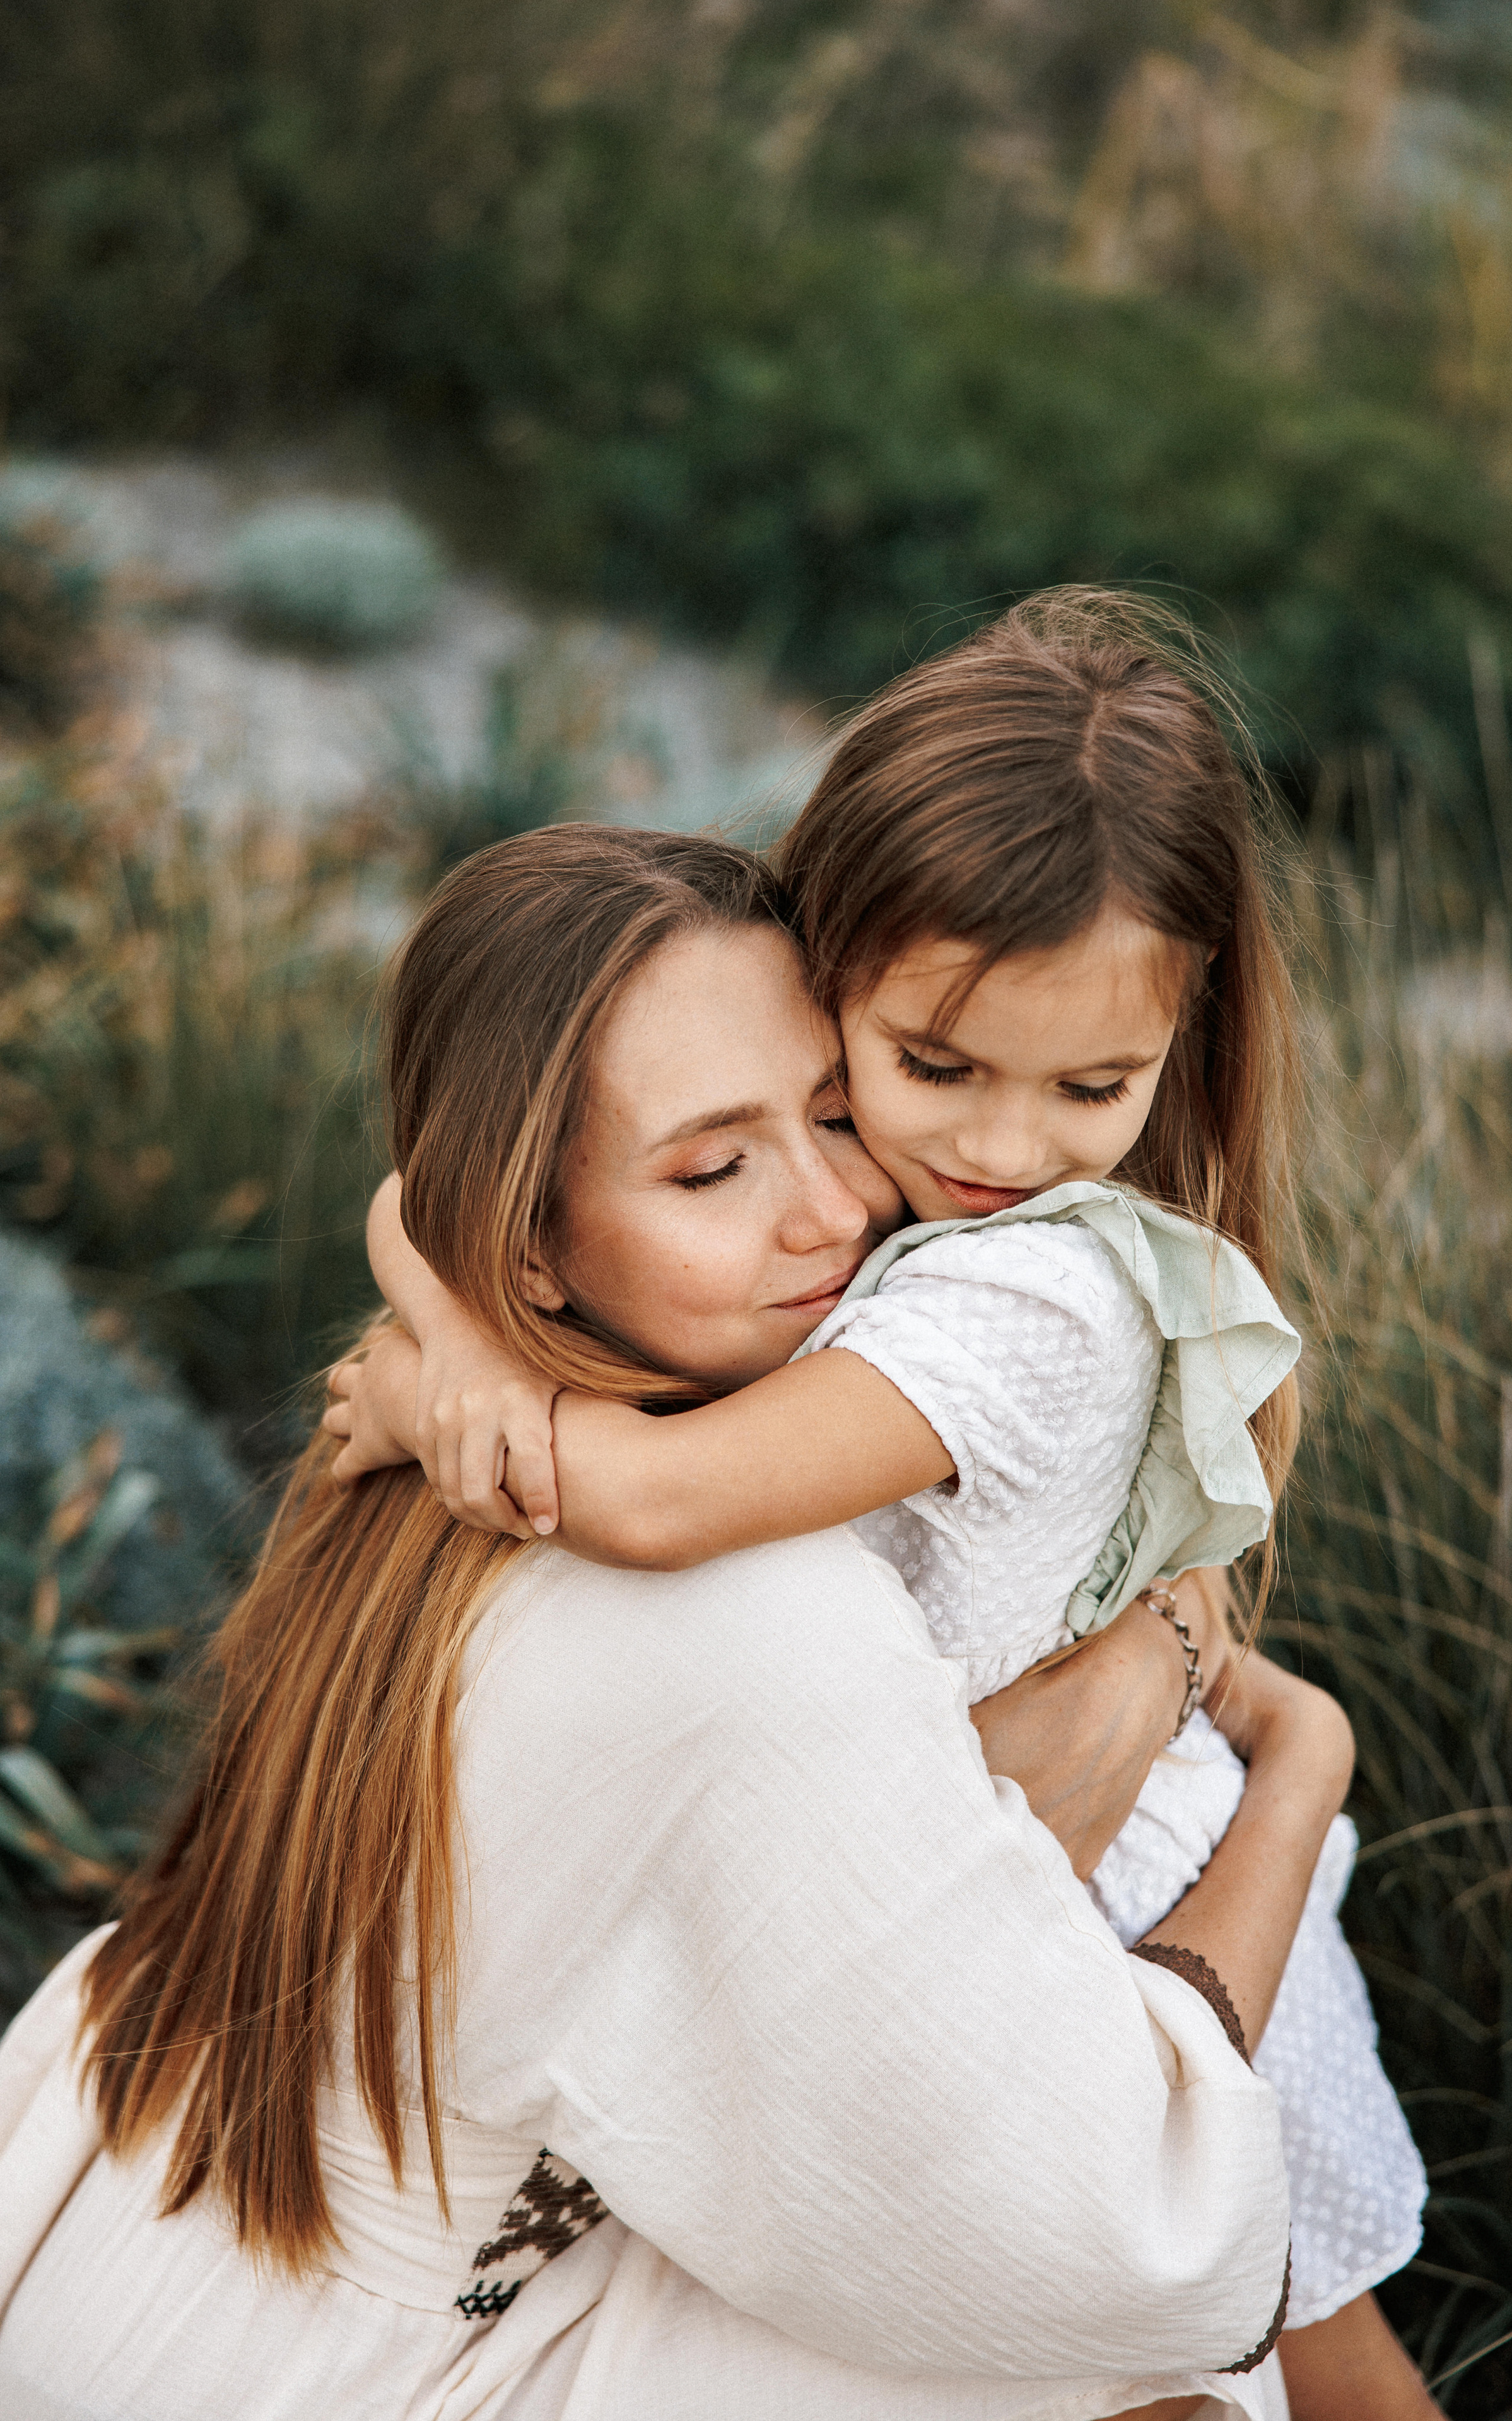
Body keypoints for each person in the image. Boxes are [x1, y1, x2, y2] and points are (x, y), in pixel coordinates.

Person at [0, 825, 1344, 2421]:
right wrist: (1301, 1767)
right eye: (716, 1167)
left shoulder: (422, 1427)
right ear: (524, 1247)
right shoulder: (744, 1617)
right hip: (356, 2366)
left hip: (127, 2232)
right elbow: (1130, 2221)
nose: (840, 1209)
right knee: (1157, 2381)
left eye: (836, 1111)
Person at [339, 595, 1432, 2415]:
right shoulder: (865, 1197)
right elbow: (445, 1166)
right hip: (985, 1871)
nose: (998, 1149)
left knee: (1284, 2354)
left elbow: (669, 1498)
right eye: (932, 1068)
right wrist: (449, 1309)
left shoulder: (1031, 1290)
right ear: (817, 960)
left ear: (1187, 1034)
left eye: (1097, 1085)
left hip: (1120, 1896)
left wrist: (417, 1376)